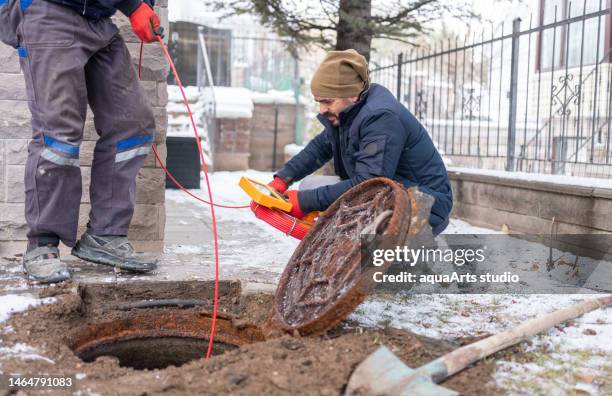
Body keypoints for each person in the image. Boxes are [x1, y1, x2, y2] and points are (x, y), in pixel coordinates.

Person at [0, 0, 162, 283]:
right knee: (58, 135)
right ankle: (42, 245)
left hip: (98, 18)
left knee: (132, 126)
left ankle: (105, 235)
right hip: (50, 10)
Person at [268, 49, 453, 236]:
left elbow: (370, 183)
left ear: (352, 95)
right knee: (310, 185)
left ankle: (376, 256)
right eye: (318, 102)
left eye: (328, 101)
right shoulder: (349, 113)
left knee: (319, 203)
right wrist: (284, 178)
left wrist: (305, 201)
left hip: (424, 205)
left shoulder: (380, 118)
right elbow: (319, 148)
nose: (322, 109)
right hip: (391, 192)